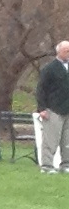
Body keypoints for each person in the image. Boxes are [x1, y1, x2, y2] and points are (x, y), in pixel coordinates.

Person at [35, 40, 69, 174]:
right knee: (50, 140)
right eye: (67, 51)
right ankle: (47, 166)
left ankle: (66, 164)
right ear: (59, 52)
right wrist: (42, 108)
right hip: (53, 109)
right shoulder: (49, 68)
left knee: (67, 140)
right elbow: (41, 89)